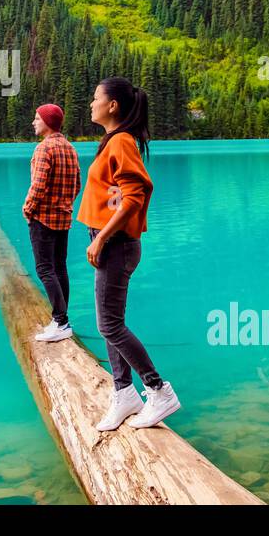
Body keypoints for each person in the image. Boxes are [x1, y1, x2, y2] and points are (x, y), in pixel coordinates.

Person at [76, 77, 181, 431]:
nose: (91, 104)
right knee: (108, 324)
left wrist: (101, 237)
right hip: (110, 243)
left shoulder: (121, 142)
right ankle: (124, 393)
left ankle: (159, 390)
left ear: (113, 105)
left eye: (95, 98)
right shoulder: (115, 142)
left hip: (116, 244)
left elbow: (135, 196)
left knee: (110, 324)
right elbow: (116, 195)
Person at [23, 103, 81, 342]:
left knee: (44, 269)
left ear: (47, 122)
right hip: (63, 218)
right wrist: (64, 204)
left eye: (37, 118)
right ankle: (62, 320)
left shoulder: (43, 149)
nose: (34, 122)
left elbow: (38, 185)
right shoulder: (70, 148)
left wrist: (28, 209)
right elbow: (77, 185)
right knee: (59, 268)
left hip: (43, 218)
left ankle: (61, 322)